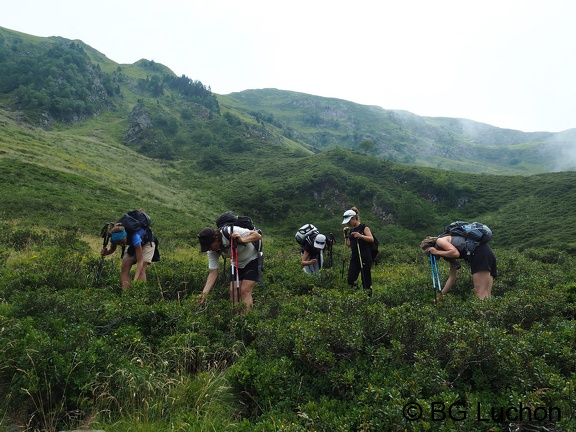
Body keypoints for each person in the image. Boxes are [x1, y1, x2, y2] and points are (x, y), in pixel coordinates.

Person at [197, 225, 262, 313]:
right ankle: (236, 320)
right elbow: (213, 273)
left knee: (244, 291)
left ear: (216, 238)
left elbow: (257, 236)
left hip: (252, 259)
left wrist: (242, 240)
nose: (209, 249)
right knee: (233, 292)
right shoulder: (212, 251)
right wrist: (203, 295)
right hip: (236, 264)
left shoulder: (231, 231)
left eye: (209, 246)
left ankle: (247, 320)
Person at [420, 232, 497, 301]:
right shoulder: (446, 253)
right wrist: (440, 296)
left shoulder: (440, 241)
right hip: (486, 253)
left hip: (480, 254)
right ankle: (490, 315)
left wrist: (437, 252)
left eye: (428, 254)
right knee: (487, 294)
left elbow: (455, 253)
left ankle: (482, 316)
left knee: (480, 292)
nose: (429, 256)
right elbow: (452, 278)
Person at [100, 223, 156, 290]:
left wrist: (135, 280)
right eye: (118, 243)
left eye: (122, 242)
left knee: (141, 269)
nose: (121, 245)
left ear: (125, 235)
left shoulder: (136, 237)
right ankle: (126, 294)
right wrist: (106, 252)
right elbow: (112, 248)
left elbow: (140, 261)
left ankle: (139, 293)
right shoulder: (114, 236)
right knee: (125, 267)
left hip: (147, 243)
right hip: (132, 245)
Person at [342, 207, 374, 295]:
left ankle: (368, 296)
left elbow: (371, 239)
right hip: (355, 257)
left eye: (349, 221)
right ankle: (355, 294)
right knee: (350, 278)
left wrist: (360, 236)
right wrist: (345, 234)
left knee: (366, 278)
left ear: (354, 218)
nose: (348, 223)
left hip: (365, 256)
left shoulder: (364, 227)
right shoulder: (351, 230)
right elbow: (348, 245)